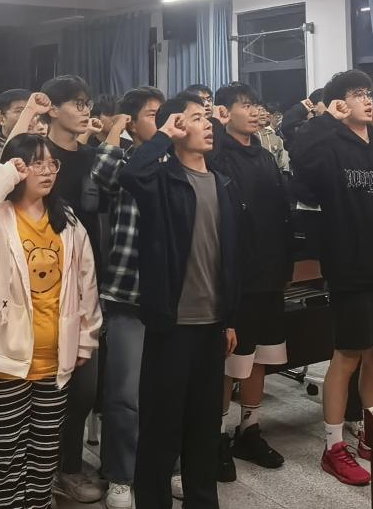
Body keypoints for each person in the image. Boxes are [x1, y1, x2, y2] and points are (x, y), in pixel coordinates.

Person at [0, 133, 101, 509]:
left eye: (52, 163)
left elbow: (86, 285)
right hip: (0, 358)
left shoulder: (68, 221)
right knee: (3, 455)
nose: (47, 171)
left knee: (43, 454)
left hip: (54, 359)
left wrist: (85, 339)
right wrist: (6, 172)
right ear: (17, 168)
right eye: (35, 163)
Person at [289, 70, 373, 487]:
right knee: (348, 356)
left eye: (368, 93)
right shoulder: (328, 144)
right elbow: (300, 163)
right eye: (357, 94)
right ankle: (333, 446)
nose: (367, 99)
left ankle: (369, 433)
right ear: (341, 102)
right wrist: (327, 117)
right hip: (350, 268)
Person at [122, 91, 240, 509]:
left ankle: (203, 501)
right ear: (176, 126)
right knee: (161, 429)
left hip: (212, 324)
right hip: (172, 322)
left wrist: (229, 318)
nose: (207, 125)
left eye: (208, 118)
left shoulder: (222, 182)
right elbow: (131, 173)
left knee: (204, 428)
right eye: (196, 118)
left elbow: (229, 256)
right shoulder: (162, 179)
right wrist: (162, 137)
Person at [208, 84, 290, 481]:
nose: (256, 111)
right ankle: (216, 437)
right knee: (231, 361)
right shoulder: (218, 154)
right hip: (238, 275)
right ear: (225, 113)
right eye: (246, 105)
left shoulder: (265, 154)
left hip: (270, 271)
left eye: (257, 104)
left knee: (260, 357)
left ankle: (249, 429)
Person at [90, 86, 165, 509]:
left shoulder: (176, 161)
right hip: (127, 291)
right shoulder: (124, 161)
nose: (162, 120)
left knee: (166, 390)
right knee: (124, 394)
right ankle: (120, 475)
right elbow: (100, 169)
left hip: (171, 295)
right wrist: (116, 126)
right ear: (133, 124)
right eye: (152, 114)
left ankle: (165, 465)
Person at [32, 76, 105, 504]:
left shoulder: (95, 157)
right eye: (76, 103)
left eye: (87, 102)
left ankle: (69, 466)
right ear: (53, 110)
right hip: (43, 281)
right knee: (47, 387)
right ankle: (43, 470)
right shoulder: (41, 157)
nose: (85, 109)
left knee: (84, 387)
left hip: (89, 282)